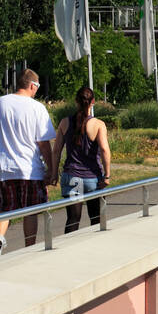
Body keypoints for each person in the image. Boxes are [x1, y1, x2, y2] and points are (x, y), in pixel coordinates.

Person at [0, 69, 56, 257]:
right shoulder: (36, 108)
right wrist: (51, 168)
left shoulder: (0, 103)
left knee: (4, 208)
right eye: (37, 87)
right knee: (30, 210)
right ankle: (29, 248)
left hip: (4, 168)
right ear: (33, 85)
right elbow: (43, 143)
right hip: (30, 170)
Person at [50, 85, 111, 233]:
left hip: (71, 177)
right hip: (93, 179)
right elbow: (104, 150)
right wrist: (107, 175)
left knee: (73, 219)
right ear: (93, 102)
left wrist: (53, 174)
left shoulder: (65, 122)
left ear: (76, 101)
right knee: (96, 219)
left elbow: (56, 150)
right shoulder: (98, 124)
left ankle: (68, 251)